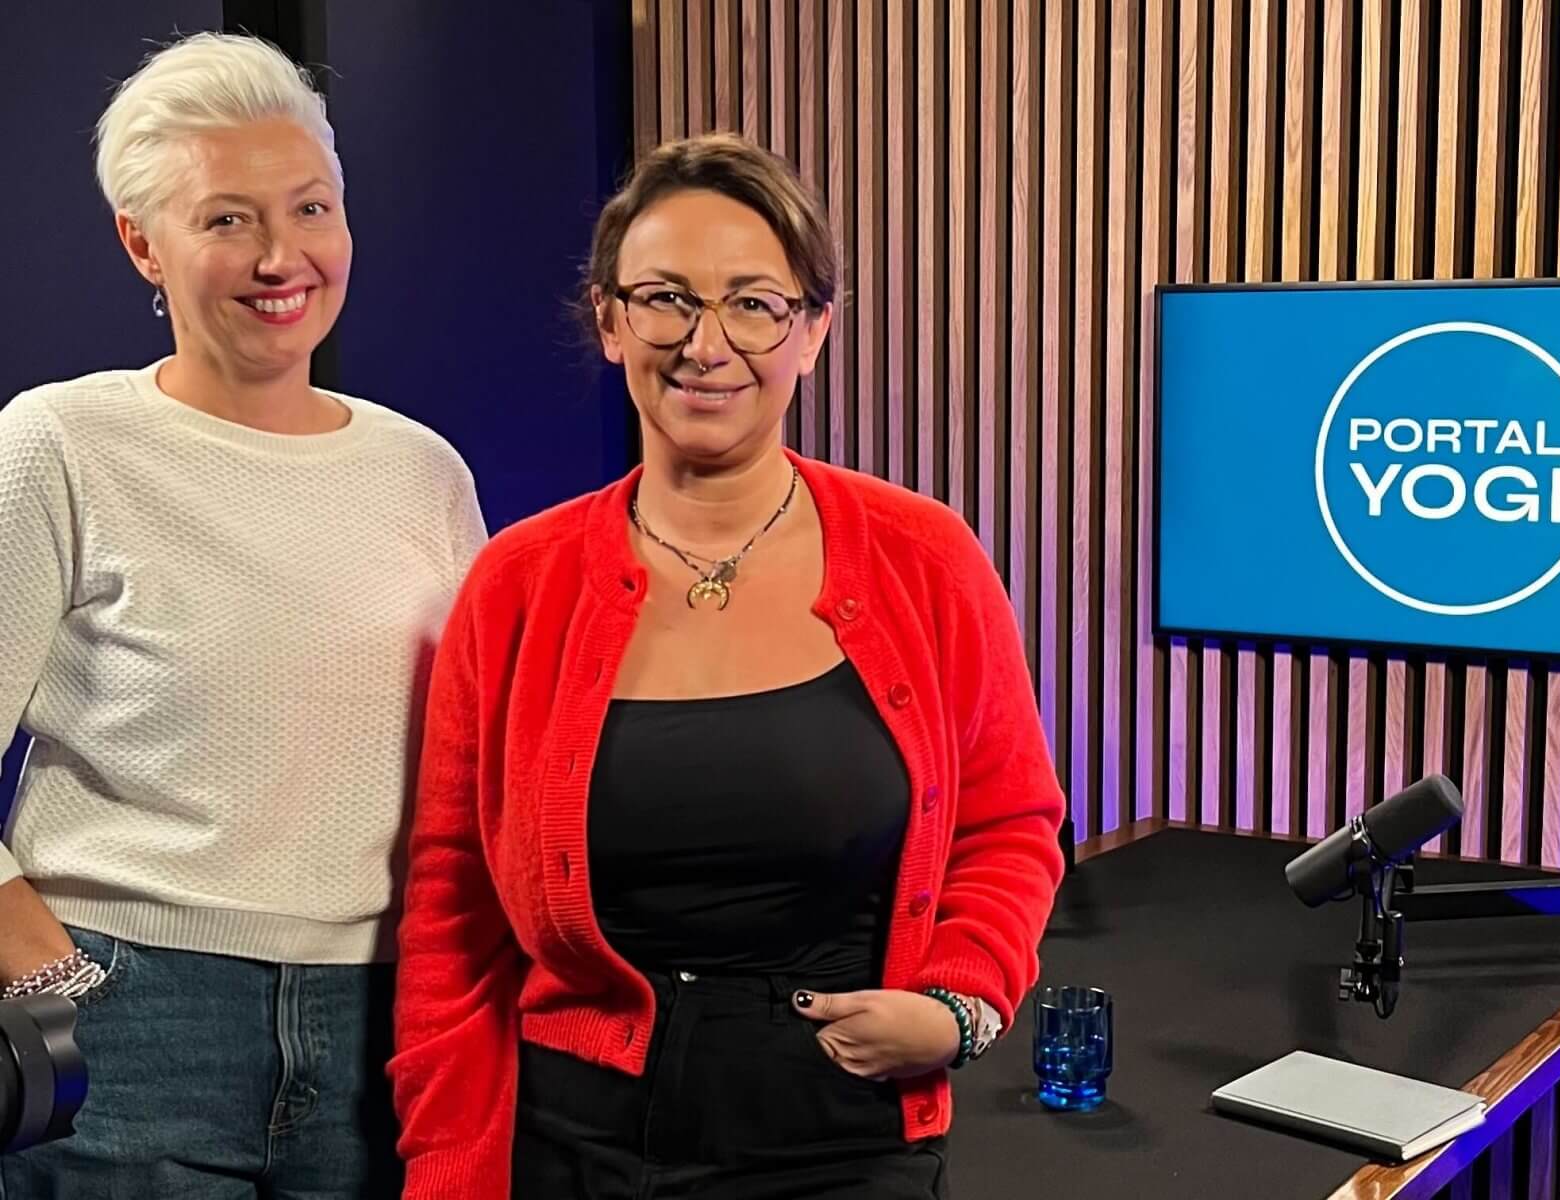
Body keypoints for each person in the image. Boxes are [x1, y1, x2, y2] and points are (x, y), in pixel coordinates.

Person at [388, 131, 1066, 1199]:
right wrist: (447, 1173)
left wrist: (959, 1005)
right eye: (666, 299)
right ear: (610, 321)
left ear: (814, 332)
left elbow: (1010, 824)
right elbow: (453, 915)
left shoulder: (925, 556)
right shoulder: (515, 583)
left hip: (842, 1137)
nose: (706, 345)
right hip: (575, 1147)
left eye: (754, 304)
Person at [0, 33, 486, 1198]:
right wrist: (25, 948)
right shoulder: (61, 444)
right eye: (227, 220)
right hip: (128, 1012)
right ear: (142, 243)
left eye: (310, 208)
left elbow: (476, 771)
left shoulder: (425, 473)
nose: (282, 257)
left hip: (383, 1024)